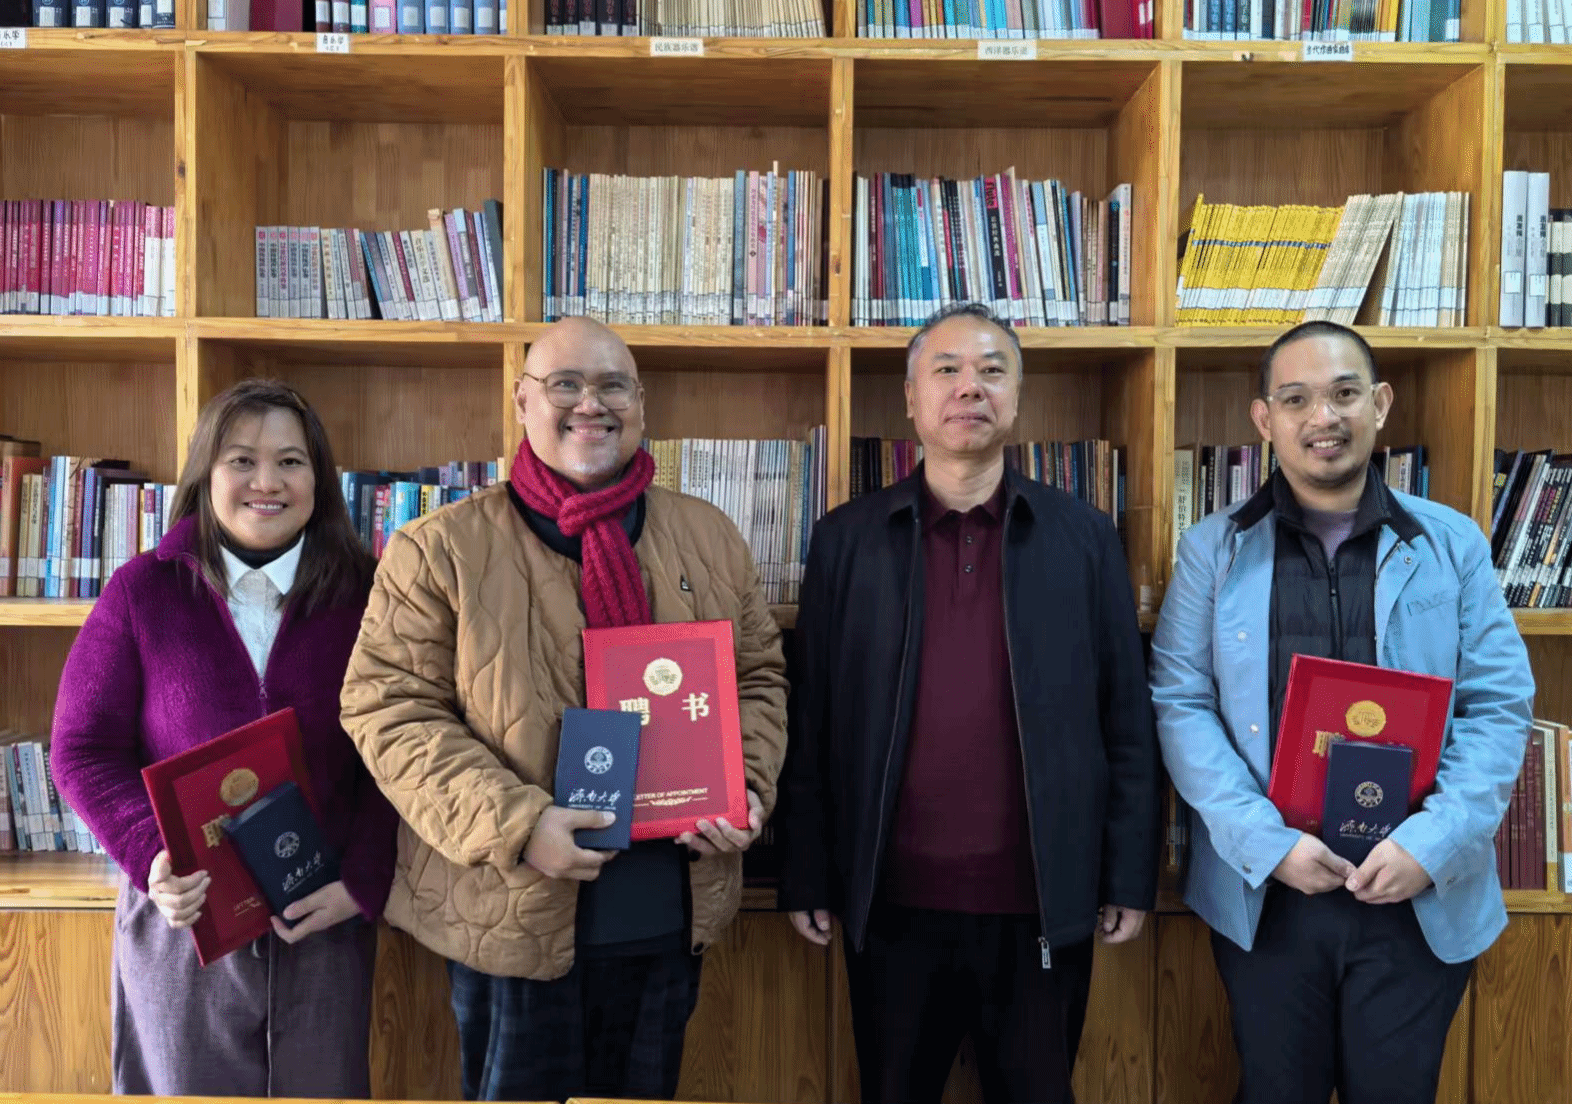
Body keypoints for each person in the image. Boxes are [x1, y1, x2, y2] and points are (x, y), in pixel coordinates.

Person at [338, 315, 789, 1103]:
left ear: (640, 404)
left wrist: (742, 784)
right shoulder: (438, 549)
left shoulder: (709, 537)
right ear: (522, 401)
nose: (591, 404)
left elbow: (757, 678)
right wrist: (518, 826)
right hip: (513, 917)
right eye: (565, 384)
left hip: (667, 912)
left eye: (613, 385)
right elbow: (389, 711)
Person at [775, 302, 1160, 1104]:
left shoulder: (1083, 537)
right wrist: (804, 872)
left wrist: (1128, 872)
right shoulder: (848, 539)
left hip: (1041, 899)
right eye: (946, 369)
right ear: (911, 399)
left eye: (992, 370)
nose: (969, 387)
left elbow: (1126, 718)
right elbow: (810, 723)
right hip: (889, 903)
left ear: (1017, 397)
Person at [1150, 320, 1536, 1104]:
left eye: (1344, 394)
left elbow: (1498, 706)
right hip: (1269, 891)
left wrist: (1430, 843)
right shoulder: (1213, 550)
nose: (1322, 417)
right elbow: (1181, 704)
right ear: (1265, 420)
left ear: (1380, 405)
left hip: (1417, 891)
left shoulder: (1452, 544)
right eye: (1296, 399)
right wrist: (1266, 843)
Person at [49, 379, 397, 1097]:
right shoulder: (142, 592)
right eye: (242, 460)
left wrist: (361, 882)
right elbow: (82, 749)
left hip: (322, 920)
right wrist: (152, 855)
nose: (266, 482)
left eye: (291, 461)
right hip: (184, 921)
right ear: (206, 473)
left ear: (319, 479)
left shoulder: (371, 595)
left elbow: (399, 751)